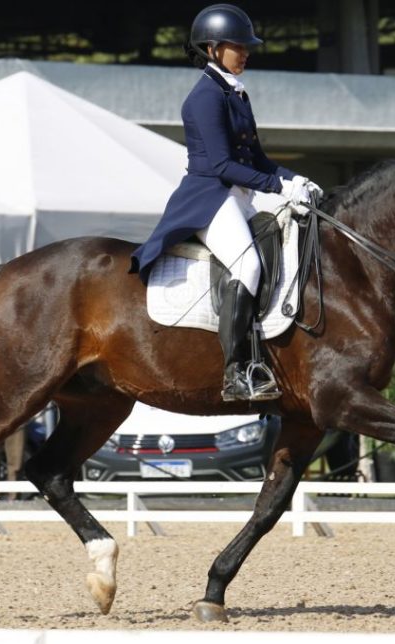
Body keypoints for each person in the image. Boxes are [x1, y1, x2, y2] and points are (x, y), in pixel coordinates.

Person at [130, 3, 320, 402]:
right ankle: (238, 372)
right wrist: (277, 187)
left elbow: (258, 159)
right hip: (209, 198)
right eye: (238, 45)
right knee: (248, 264)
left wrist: (293, 179)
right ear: (213, 48)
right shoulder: (204, 97)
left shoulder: (233, 93)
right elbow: (221, 165)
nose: (246, 52)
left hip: (238, 194)